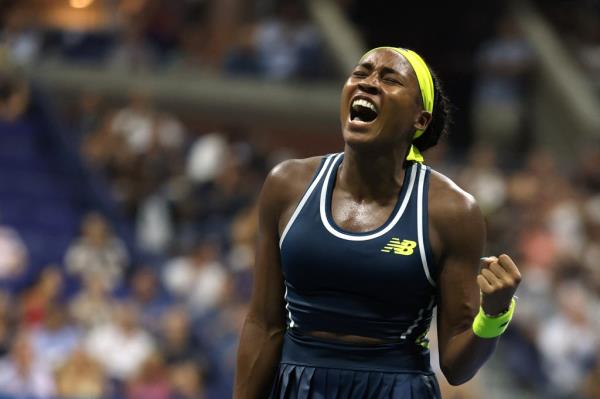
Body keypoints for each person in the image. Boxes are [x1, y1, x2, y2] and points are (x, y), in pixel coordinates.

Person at [234, 46, 521, 398]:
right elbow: (263, 324)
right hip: (298, 387)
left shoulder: (452, 212)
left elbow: (456, 367)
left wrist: (494, 315)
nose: (368, 84)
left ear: (421, 120)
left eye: (389, 79)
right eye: (360, 73)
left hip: (396, 388)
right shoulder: (287, 184)